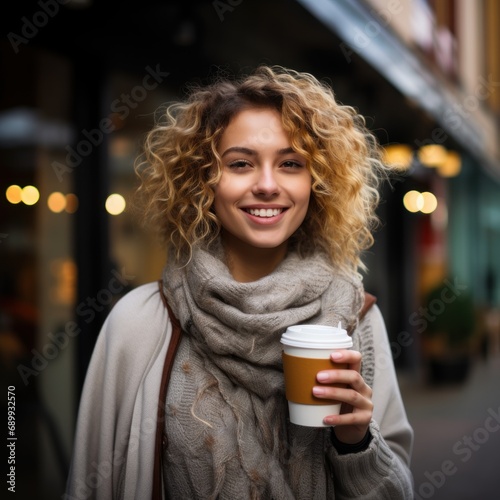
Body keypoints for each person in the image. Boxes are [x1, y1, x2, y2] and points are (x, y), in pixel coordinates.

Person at [65, 65, 414, 499]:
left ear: (316, 182)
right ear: (202, 181)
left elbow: (400, 490)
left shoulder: (356, 320)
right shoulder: (139, 324)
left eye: (290, 164)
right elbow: (90, 487)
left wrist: (357, 440)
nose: (267, 185)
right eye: (241, 164)